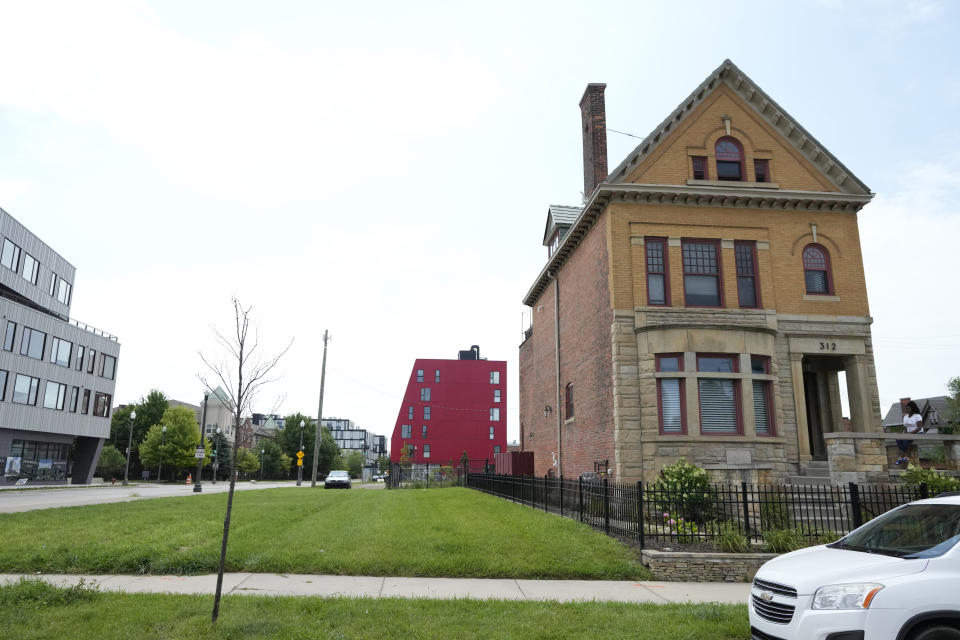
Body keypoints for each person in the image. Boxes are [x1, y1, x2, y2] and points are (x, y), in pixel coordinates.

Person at [896, 401, 924, 465]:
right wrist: (903, 434)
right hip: (908, 433)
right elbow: (906, 427)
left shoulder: (917, 416)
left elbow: (919, 427)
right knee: (898, 439)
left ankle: (901, 457)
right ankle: (904, 457)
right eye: (906, 408)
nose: (907, 410)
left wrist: (910, 433)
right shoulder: (905, 417)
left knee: (906, 440)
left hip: (918, 433)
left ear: (912, 408)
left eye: (908, 408)